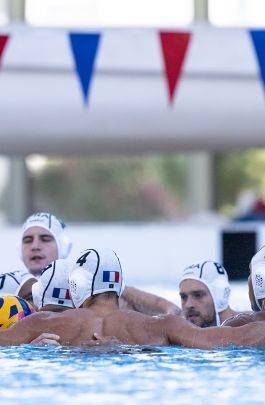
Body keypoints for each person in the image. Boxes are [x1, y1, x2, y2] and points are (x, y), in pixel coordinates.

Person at [0, 248, 264, 348]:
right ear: (118, 285)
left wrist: (29, 346)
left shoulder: (42, 324)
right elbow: (229, 340)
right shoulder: (160, 326)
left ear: (75, 287)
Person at [178, 261, 238, 327]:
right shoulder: (179, 331)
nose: (188, 305)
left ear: (220, 296)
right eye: (183, 297)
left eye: (197, 295)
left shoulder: (246, 330)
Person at [20, 212, 72, 277]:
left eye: (45, 239)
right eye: (28, 240)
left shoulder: (81, 286)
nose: (35, 246)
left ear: (63, 248)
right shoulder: (8, 286)